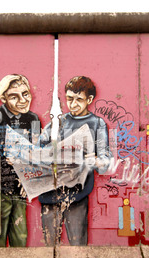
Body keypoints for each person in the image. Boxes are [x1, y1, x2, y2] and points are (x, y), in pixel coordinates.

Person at [38, 76, 112, 246]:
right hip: (51, 191)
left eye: (79, 100)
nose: (73, 104)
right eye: (69, 99)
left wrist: (95, 161)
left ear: (90, 100)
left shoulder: (97, 123)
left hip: (79, 193)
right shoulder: (58, 121)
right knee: (49, 245)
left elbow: (105, 160)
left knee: (78, 244)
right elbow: (37, 149)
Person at [0, 74, 41, 247]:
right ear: (4, 98)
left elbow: (35, 151)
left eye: (26, 93)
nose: (23, 100)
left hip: (20, 184)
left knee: (20, 235)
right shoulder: (0, 114)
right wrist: (0, 89)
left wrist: (29, 179)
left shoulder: (33, 119)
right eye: (14, 96)